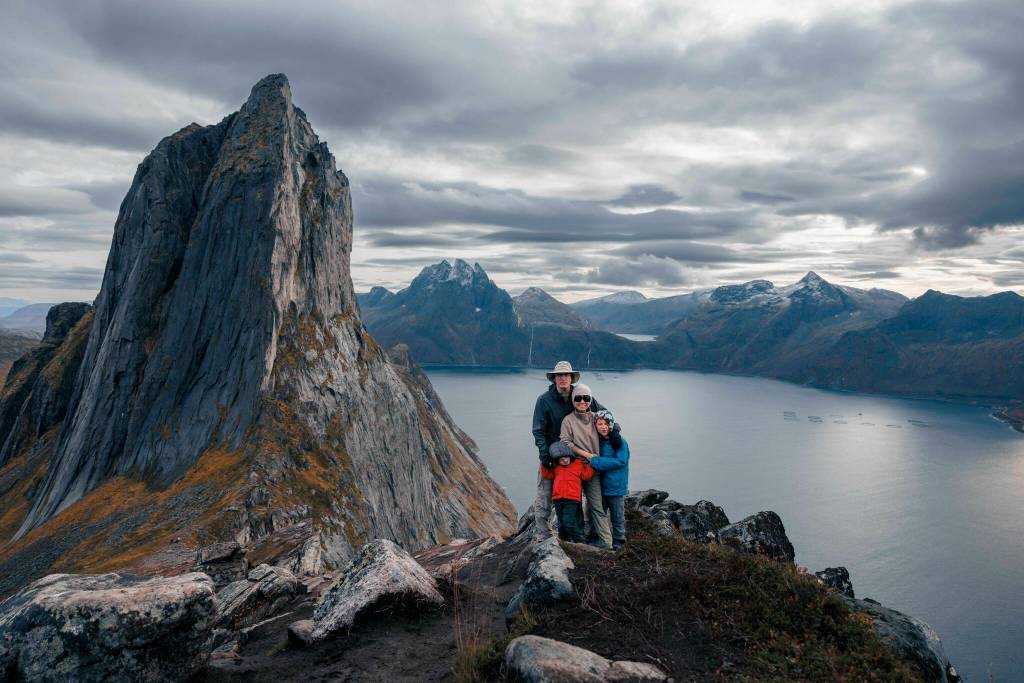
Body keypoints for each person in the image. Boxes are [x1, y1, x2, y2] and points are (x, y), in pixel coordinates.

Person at [531, 361, 606, 541]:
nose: (563, 378)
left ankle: (581, 533)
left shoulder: (580, 395)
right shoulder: (544, 400)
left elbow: (602, 413)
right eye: (559, 375)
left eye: (566, 375)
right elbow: (538, 430)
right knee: (545, 495)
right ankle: (543, 535)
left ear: (571, 378)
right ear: (554, 378)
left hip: (576, 458)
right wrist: (545, 456)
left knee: (577, 497)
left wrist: (614, 427)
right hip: (552, 457)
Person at [559, 383, 613, 549]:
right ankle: (579, 542)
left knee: (596, 506)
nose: (582, 401)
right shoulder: (568, 420)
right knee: (575, 508)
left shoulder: (596, 418)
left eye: (586, 398)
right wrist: (587, 454)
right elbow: (565, 442)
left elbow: (610, 429)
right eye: (578, 398)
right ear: (573, 400)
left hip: (593, 470)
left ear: (590, 400)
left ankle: (606, 543)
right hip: (575, 470)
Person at [586, 409, 630, 550]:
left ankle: (619, 539)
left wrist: (596, 461)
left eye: (606, 423)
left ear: (611, 424)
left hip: (616, 486)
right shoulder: (598, 441)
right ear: (596, 426)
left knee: (617, 514)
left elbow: (620, 461)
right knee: (599, 511)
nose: (603, 427)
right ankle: (595, 535)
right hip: (602, 485)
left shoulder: (619, 442)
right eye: (600, 424)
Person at [540, 441, 594, 542]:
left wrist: (592, 464)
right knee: (561, 523)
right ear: (557, 460)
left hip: (572, 499)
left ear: (570, 455)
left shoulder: (577, 464)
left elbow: (586, 476)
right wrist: (544, 464)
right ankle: (564, 541)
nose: (565, 460)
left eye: (566, 457)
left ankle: (580, 540)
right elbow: (548, 475)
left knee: (568, 522)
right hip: (558, 498)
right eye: (561, 459)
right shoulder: (556, 467)